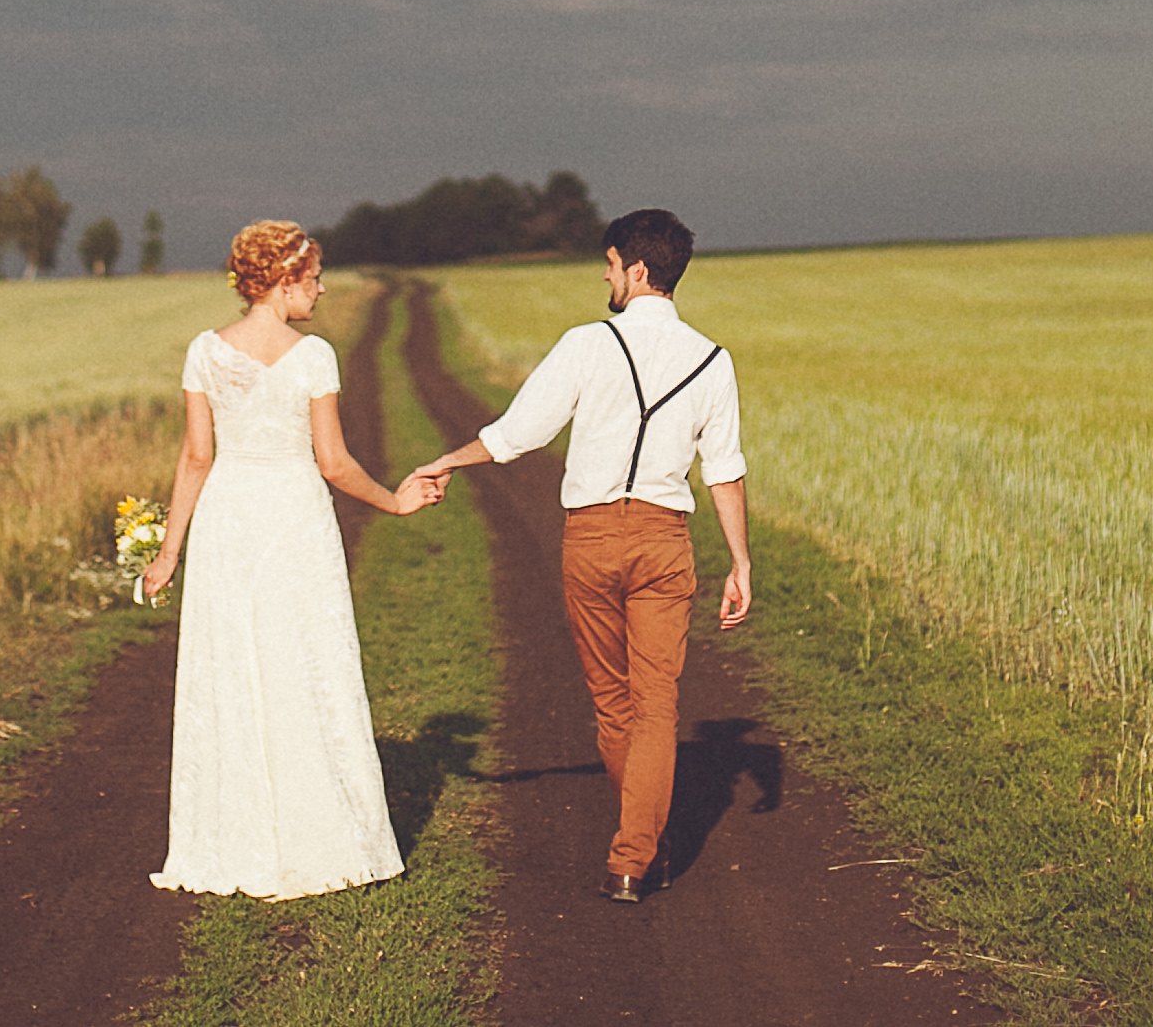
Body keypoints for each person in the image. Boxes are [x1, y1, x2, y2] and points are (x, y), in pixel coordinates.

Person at [412, 206, 749, 904]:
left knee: (612, 704)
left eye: (609, 264)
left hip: (591, 540)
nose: (604, 275)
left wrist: (448, 460)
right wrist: (740, 562)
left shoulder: (584, 344)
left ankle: (637, 847)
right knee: (657, 705)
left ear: (637, 269)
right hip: (664, 541)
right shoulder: (713, 361)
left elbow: (520, 432)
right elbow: (724, 468)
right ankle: (634, 856)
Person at [142, 219, 445, 898]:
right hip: (291, 516)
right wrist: (394, 503)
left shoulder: (204, 351)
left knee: (234, 667)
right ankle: (320, 836)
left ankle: (235, 836)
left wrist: (169, 553)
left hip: (227, 517)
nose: (322, 288)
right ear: (283, 282)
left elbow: (196, 457)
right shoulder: (313, 358)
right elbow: (333, 464)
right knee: (304, 661)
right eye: (313, 277)